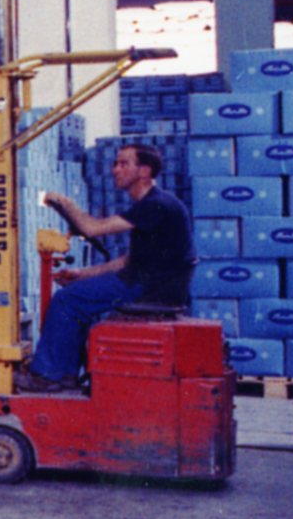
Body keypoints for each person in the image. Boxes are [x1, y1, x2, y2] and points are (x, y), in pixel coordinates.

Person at [21, 141, 194, 387]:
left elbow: (92, 228)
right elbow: (130, 260)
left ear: (144, 171)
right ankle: (65, 373)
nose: (115, 169)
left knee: (67, 301)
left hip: (150, 288)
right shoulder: (155, 204)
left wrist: (63, 202)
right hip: (150, 282)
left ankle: (49, 375)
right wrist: (84, 274)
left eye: (124, 163)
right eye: (115, 163)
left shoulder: (156, 204)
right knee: (77, 295)